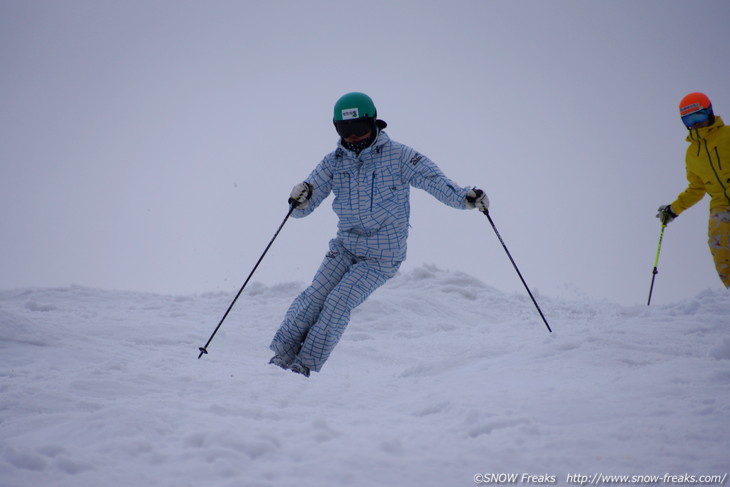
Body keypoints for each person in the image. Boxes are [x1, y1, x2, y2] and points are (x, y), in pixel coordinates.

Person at [269, 92, 488, 377]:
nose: (353, 138)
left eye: (359, 130)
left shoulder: (400, 156)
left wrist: (466, 198)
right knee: (315, 296)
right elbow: (301, 209)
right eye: (346, 132)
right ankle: (280, 359)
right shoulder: (334, 162)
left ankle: (304, 366)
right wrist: (299, 199)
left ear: (374, 123)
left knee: (338, 302)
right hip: (345, 246)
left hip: (381, 256)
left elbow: (436, 181)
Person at [657, 92, 730, 290]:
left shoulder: (727, 135)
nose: (695, 123)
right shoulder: (692, 154)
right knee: (719, 243)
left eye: (698, 116)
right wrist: (673, 209)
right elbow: (696, 188)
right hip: (721, 204)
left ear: (709, 112)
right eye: (690, 120)